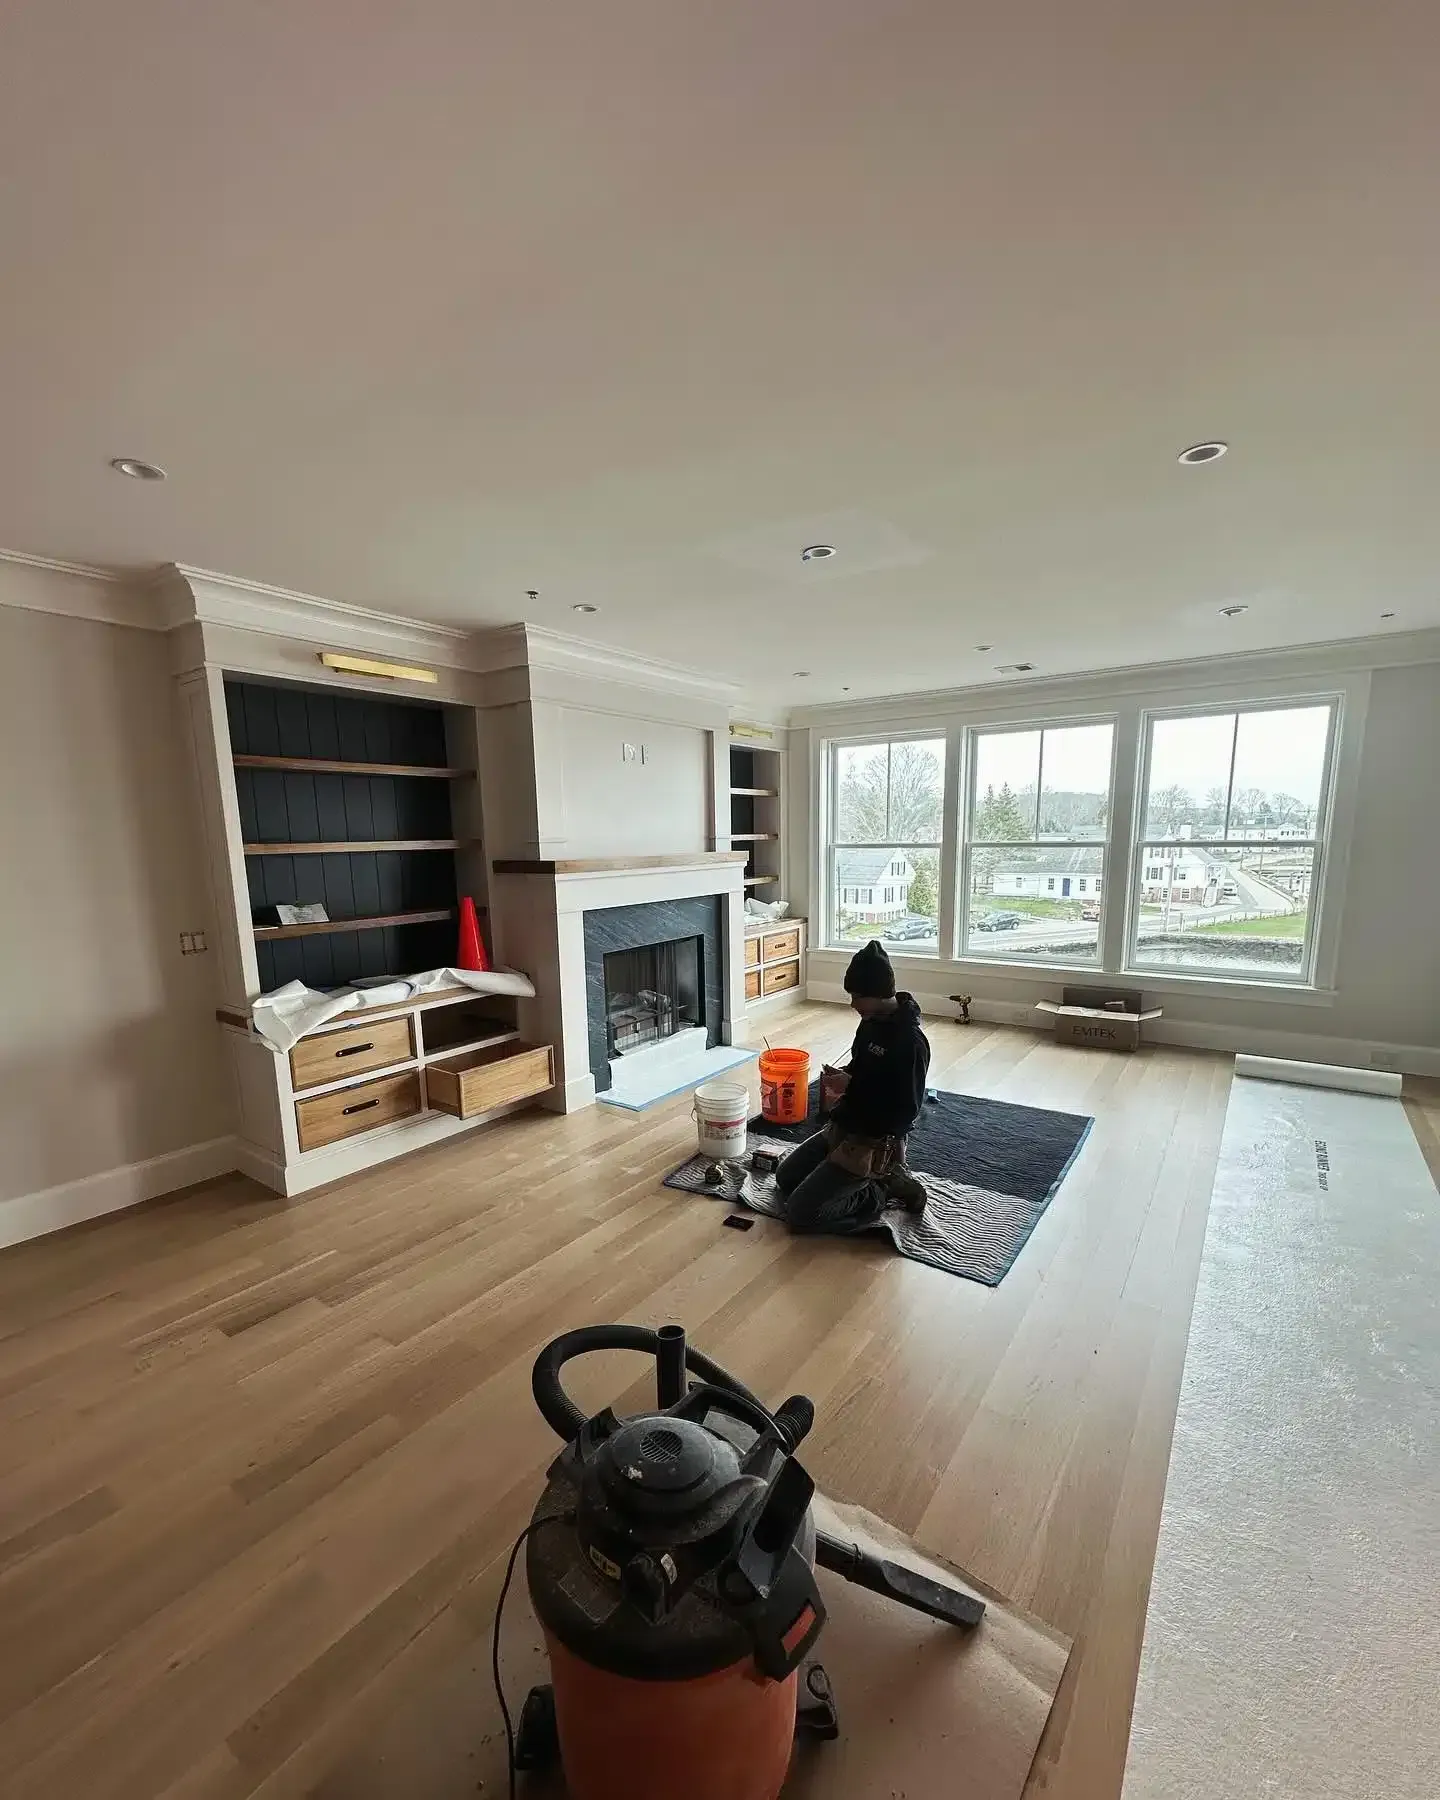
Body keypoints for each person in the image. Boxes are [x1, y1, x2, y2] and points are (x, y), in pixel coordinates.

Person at [774, 940, 931, 1235]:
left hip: (872, 1141)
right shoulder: (870, 1023)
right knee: (786, 1178)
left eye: (857, 997)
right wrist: (847, 1074)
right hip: (844, 1126)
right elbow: (863, 1067)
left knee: (800, 1213)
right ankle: (851, 1177)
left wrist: (854, 1084)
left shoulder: (910, 1043)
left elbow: (903, 1111)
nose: (852, 1004)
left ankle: (882, 1188)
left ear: (877, 993)